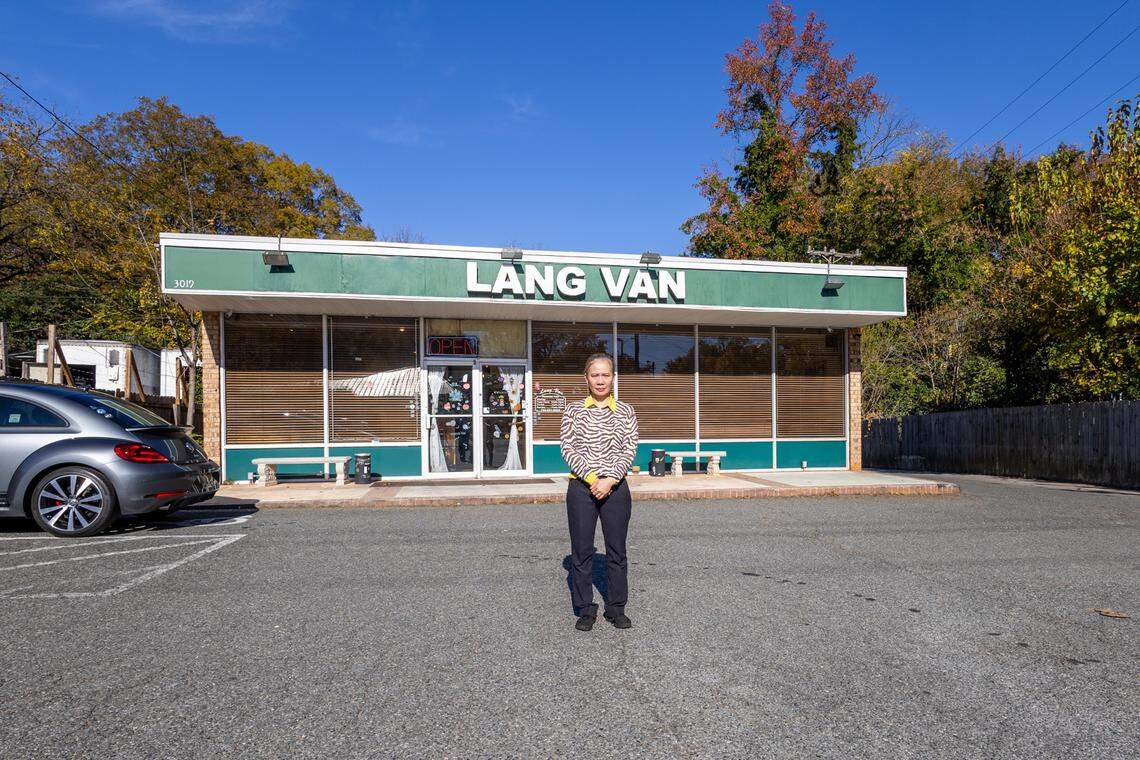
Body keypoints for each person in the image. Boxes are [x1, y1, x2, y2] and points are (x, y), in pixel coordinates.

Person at [559, 352, 639, 632]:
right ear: (586, 378)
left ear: (613, 378)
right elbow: (568, 448)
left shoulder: (626, 411)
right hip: (581, 488)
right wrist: (594, 479)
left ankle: (616, 608)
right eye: (595, 375)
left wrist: (610, 480)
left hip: (616, 489)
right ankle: (585, 609)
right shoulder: (573, 411)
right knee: (581, 551)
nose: (600, 380)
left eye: (606, 374)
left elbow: (629, 449)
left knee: (617, 550)